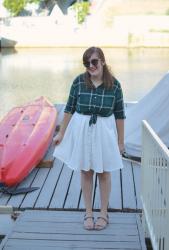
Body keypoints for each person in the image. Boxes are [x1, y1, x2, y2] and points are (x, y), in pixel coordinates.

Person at [53, 47, 125, 230]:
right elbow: (69, 108)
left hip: (104, 131)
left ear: (102, 61)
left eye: (94, 62)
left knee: (104, 171)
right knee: (85, 171)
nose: (90, 66)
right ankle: (88, 212)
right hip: (83, 130)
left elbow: (119, 115)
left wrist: (120, 142)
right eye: (87, 63)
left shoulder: (114, 85)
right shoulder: (78, 82)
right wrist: (61, 133)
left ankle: (103, 213)